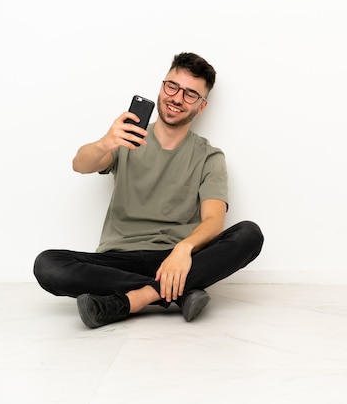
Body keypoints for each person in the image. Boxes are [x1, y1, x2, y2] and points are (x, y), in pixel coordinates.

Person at [34, 52, 264, 329]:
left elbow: (214, 220)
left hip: (176, 259)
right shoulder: (127, 137)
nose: (177, 98)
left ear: (201, 106)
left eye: (191, 94)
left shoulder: (209, 156)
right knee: (47, 265)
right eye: (172, 86)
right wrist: (105, 143)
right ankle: (178, 292)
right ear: (162, 86)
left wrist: (183, 248)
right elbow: (80, 165)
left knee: (250, 234)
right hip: (116, 259)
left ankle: (134, 299)